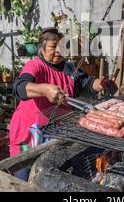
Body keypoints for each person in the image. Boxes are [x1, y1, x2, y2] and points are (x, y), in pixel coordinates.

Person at [9, 27, 117, 180]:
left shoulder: (69, 68)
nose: (59, 51)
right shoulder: (36, 66)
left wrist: (102, 84)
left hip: (54, 136)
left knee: (47, 177)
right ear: (42, 48)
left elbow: (87, 82)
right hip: (28, 136)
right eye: (54, 47)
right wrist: (44, 89)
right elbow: (19, 87)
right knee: (23, 179)